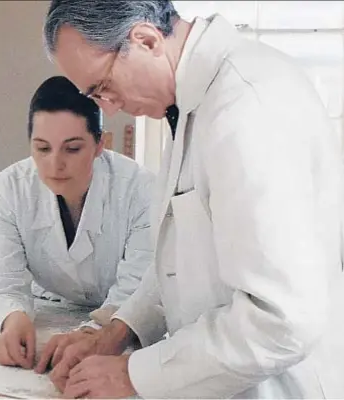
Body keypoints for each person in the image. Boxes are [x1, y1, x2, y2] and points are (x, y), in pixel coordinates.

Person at [42, 1, 344, 398]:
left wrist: (133, 375)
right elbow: (180, 260)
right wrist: (118, 332)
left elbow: (282, 321)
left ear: (146, 40)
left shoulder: (248, 106)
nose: (108, 108)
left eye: (103, 87)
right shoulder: (191, 105)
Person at [0, 76, 155, 372]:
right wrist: (11, 317)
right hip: (49, 312)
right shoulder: (8, 188)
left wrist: (96, 333)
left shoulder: (141, 190)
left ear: (100, 144)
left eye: (72, 149)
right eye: (42, 149)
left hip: (122, 326)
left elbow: (141, 289)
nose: (55, 164)